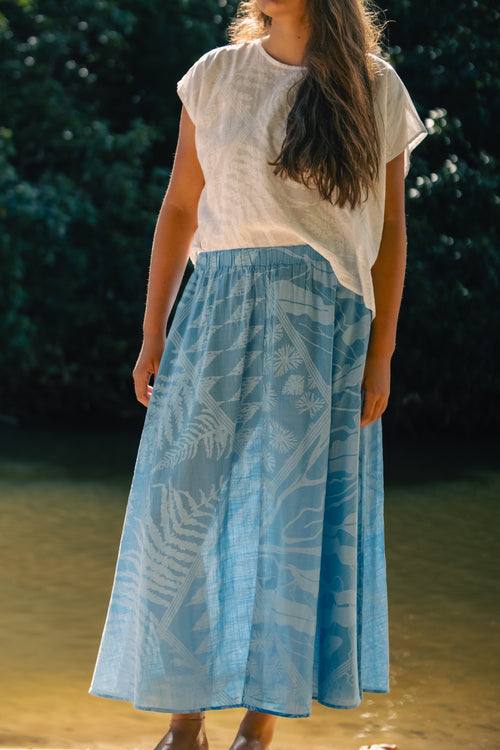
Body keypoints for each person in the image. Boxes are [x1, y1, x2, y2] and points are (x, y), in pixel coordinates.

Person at [89, 1, 427, 749]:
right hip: (215, 311)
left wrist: (383, 352)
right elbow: (181, 207)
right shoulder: (214, 76)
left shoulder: (374, 86)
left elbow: (391, 230)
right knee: (182, 516)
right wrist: (152, 331)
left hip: (324, 327)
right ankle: (184, 721)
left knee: (288, 526)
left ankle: (260, 724)